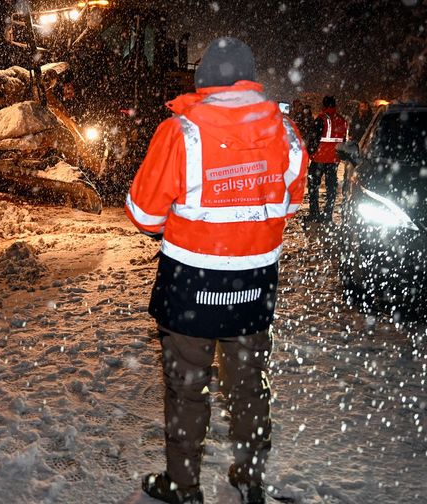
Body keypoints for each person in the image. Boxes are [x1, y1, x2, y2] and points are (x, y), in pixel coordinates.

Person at [125, 37, 308, 504]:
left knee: (187, 388)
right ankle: (250, 477)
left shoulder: (180, 132)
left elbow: (144, 216)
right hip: (255, 283)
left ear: (203, 78)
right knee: (248, 384)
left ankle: (183, 486)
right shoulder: (286, 133)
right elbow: (287, 206)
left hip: (192, 286)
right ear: (250, 79)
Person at [305, 95, 348, 222]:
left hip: (319, 158)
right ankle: (328, 215)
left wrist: (310, 153)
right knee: (331, 187)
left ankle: (314, 214)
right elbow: (343, 140)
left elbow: (313, 139)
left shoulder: (321, 119)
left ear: (324, 106)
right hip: (333, 160)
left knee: (313, 186)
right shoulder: (342, 120)